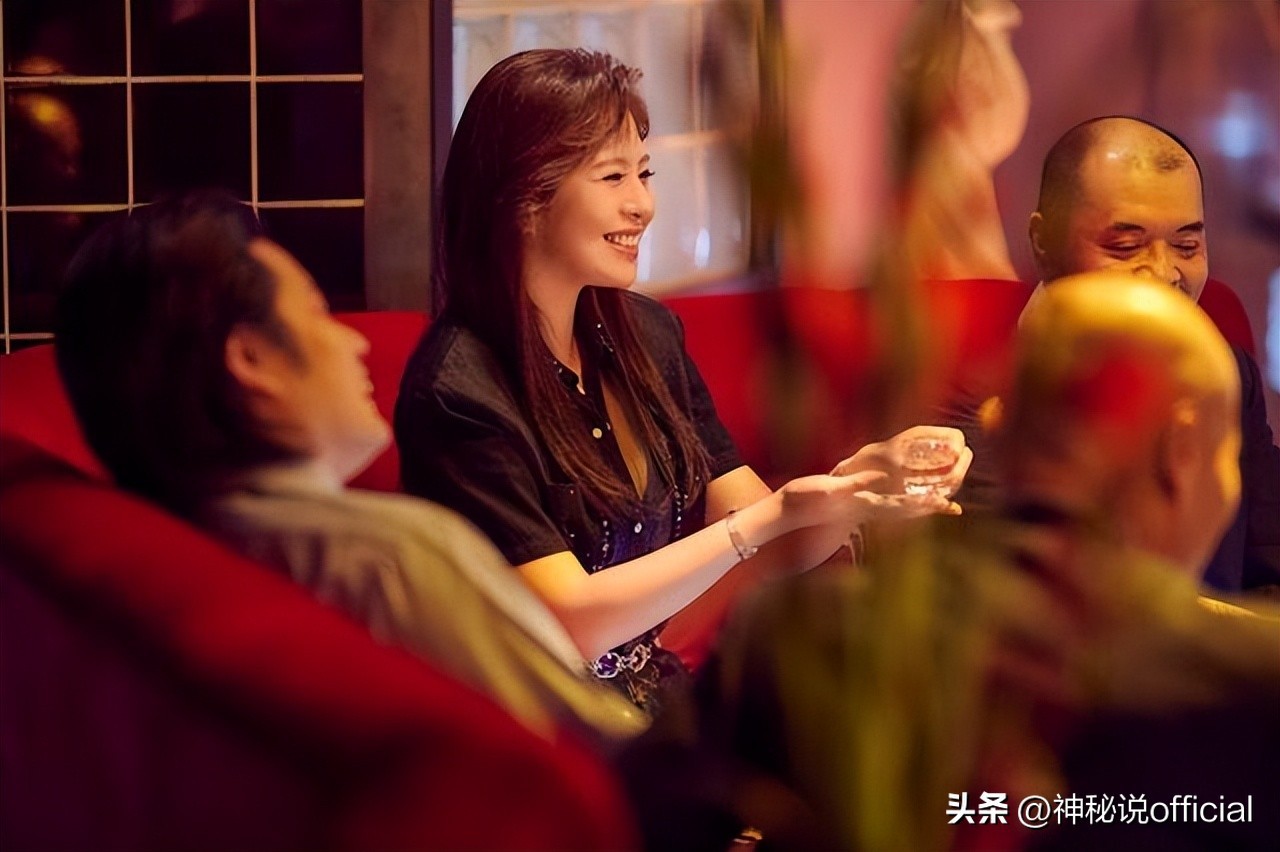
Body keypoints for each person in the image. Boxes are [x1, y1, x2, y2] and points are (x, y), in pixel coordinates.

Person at [394, 48, 972, 712]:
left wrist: (858, 487)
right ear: (524, 198)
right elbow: (569, 623)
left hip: (655, 703)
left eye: (644, 173)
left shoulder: (646, 336)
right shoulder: (457, 393)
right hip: (538, 722)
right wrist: (769, 519)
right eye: (613, 177)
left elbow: (772, 541)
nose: (642, 205)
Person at [663, 272, 1280, 852]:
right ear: (1181, 453)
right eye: (1228, 456)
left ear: (996, 427)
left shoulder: (796, 633)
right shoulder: (1252, 688)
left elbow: (636, 819)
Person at [53, 190, 647, 745]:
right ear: (252, 359)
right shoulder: (393, 558)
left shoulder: (187, 553)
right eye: (318, 314)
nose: (356, 343)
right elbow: (605, 755)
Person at [945, 116, 1280, 595]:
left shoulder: (1226, 377)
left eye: (1187, 245)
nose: (1164, 273)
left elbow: (1270, 562)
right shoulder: (972, 385)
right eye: (1126, 247)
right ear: (1043, 244)